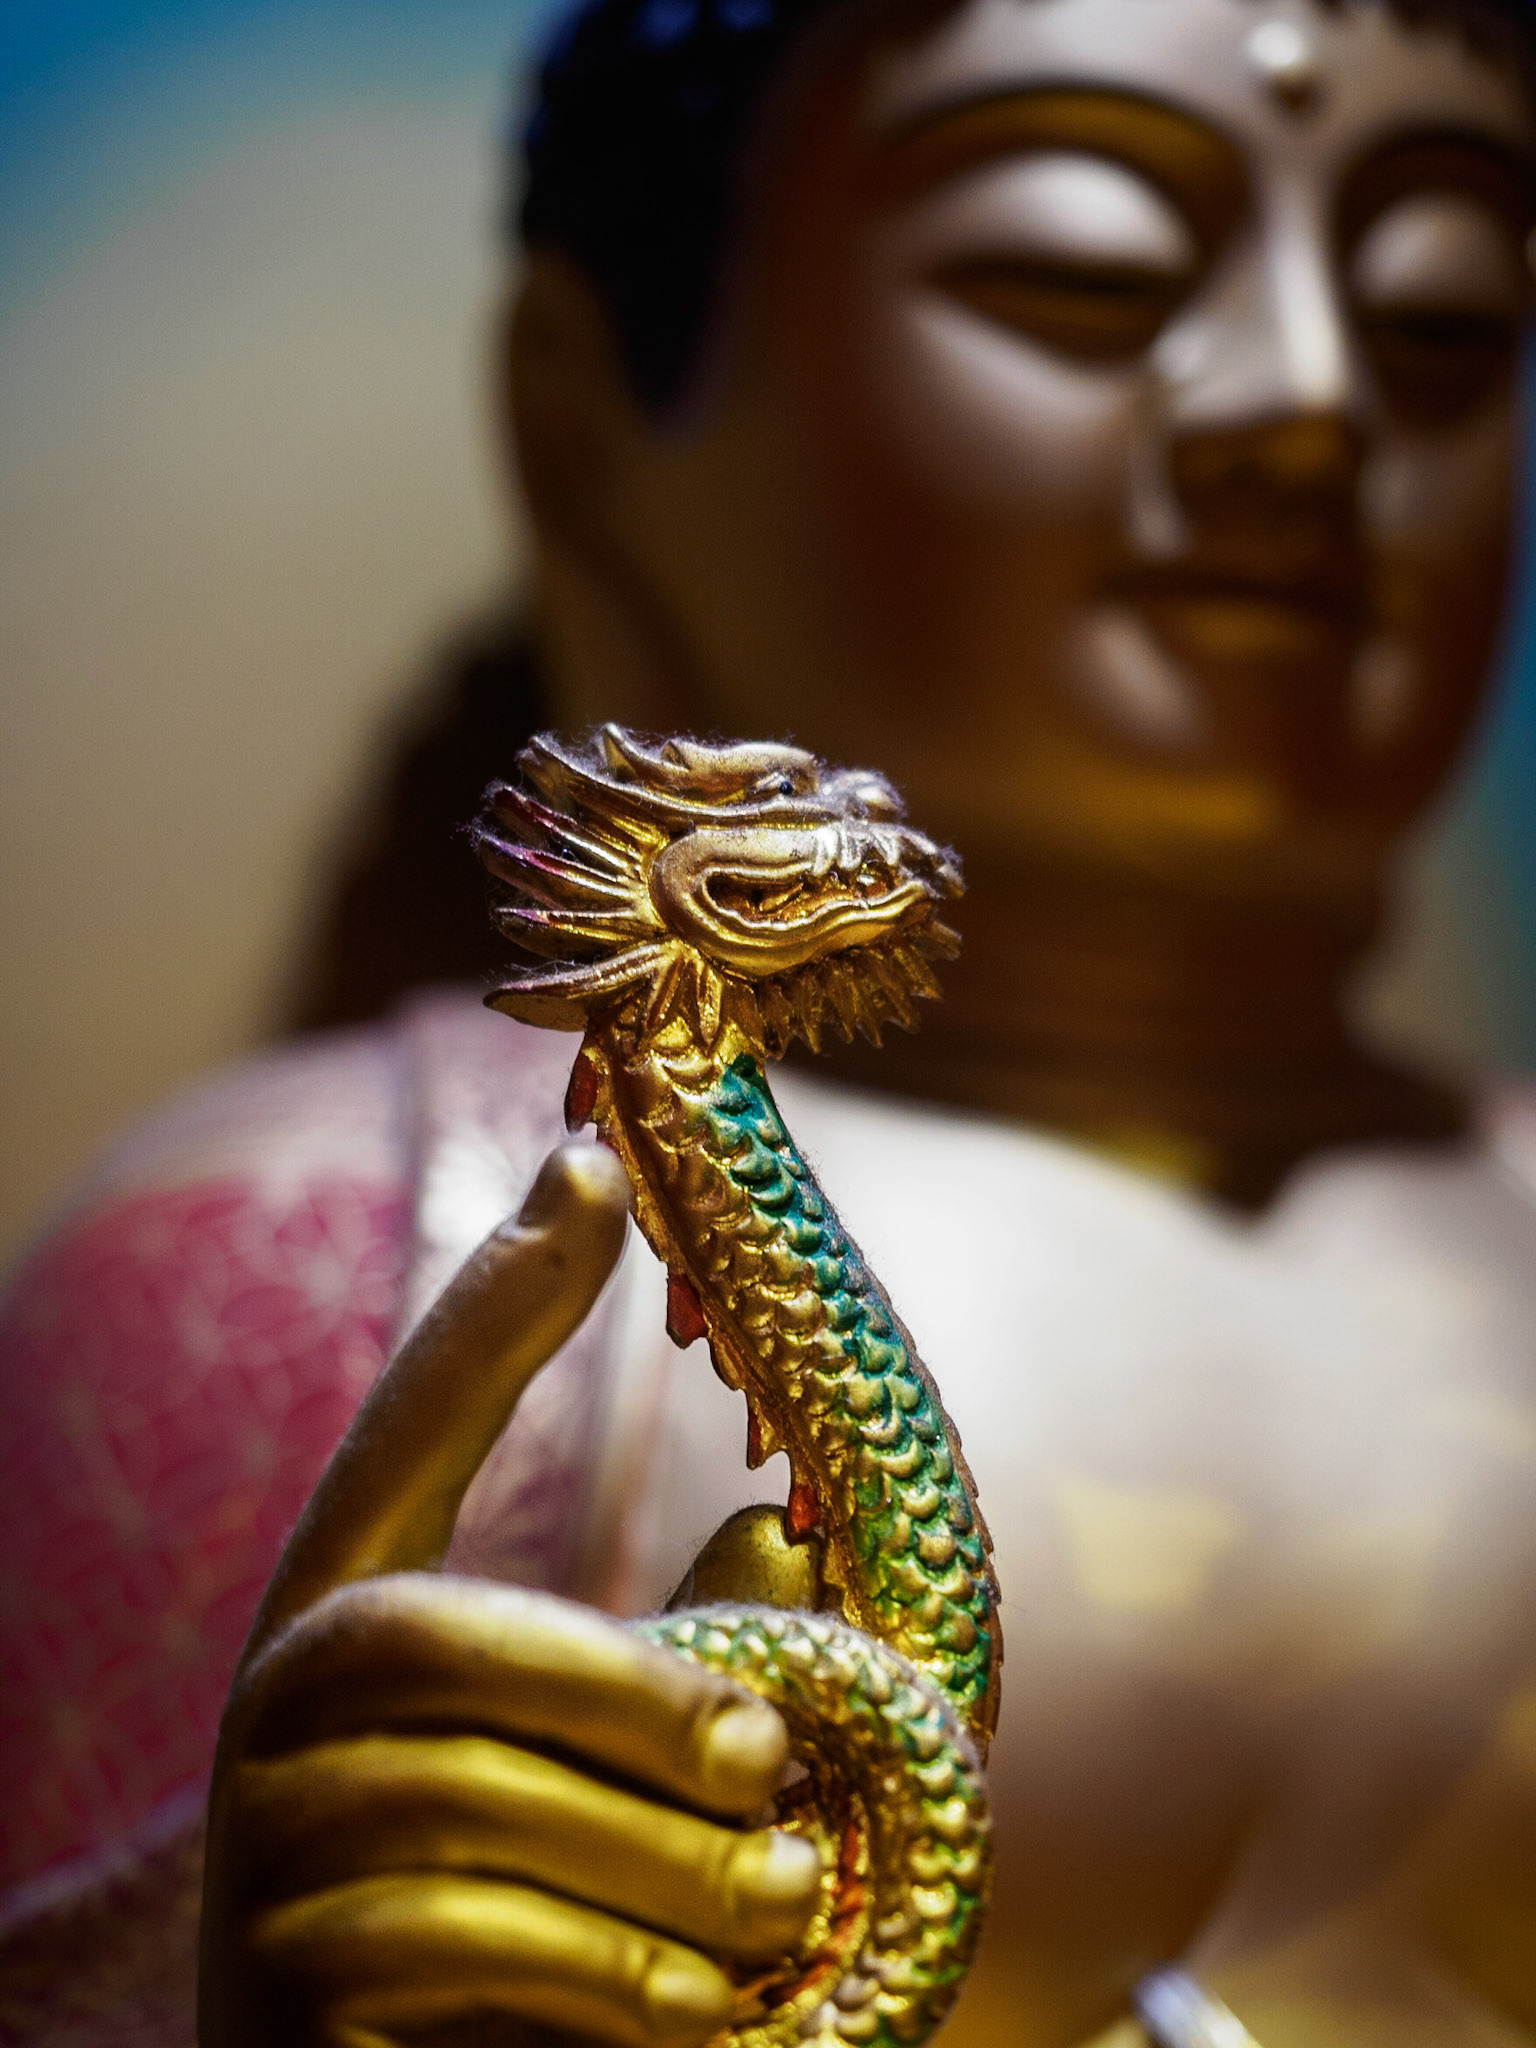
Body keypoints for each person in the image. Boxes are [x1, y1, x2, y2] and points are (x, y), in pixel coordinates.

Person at [3, 0, 1536, 2040]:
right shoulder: (322, 1248)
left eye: (1442, 319)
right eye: (1077, 272)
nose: (1313, 400)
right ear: (584, 422)